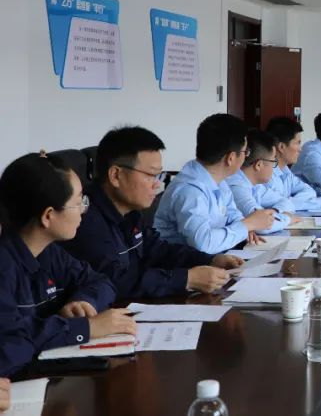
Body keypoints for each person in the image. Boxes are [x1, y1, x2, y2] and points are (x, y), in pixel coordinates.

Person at [63, 126, 242, 300]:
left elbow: (157, 250)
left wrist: (211, 260)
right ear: (116, 175)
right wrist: (186, 279)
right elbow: (115, 280)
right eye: (150, 175)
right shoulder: (85, 219)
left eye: (159, 175)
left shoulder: (129, 211)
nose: (157, 185)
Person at [0, 153, 136, 377]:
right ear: (48, 216)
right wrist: (86, 328)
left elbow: (100, 281)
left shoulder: (48, 251)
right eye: (78, 202)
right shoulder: (5, 267)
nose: (84, 210)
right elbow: (11, 348)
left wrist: (83, 302)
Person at [154, 114, 276, 253]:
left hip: (212, 259)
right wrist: (247, 224)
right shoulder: (189, 190)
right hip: (183, 264)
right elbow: (203, 243)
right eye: (245, 152)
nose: (246, 157)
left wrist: (244, 228)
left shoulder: (219, 181)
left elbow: (232, 214)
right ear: (230, 158)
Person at [264, 117, 321, 212]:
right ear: (281, 147)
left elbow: (309, 191)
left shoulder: (285, 171)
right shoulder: (266, 175)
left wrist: (293, 202)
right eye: (297, 143)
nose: (300, 149)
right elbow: (278, 206)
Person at [226, 130, 297, 234]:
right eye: (273, 161)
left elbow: (287, 203)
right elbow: (262, 226)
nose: (274, 168)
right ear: (258, 165)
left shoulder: (255, 186)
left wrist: (275, 211)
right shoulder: (236, 186)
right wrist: (288, 218)